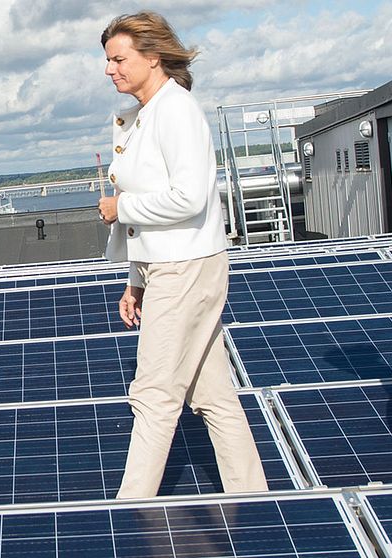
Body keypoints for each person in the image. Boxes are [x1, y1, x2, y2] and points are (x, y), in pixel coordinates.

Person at [96, 12, 268, 499]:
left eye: (118, 59)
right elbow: (157, 212)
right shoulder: (147, 113)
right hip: (168, 265)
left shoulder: (176, 111)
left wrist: (120, 206)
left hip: (186, 267)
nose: (110, 69)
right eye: (108, 61)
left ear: (153, 57)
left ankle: (128, 515)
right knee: (213, 395)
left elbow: (191, 197)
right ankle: (255, 498)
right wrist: (136, 278)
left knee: (153, 396)